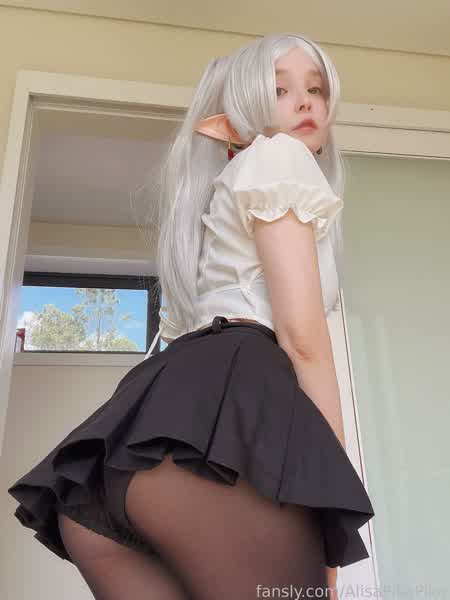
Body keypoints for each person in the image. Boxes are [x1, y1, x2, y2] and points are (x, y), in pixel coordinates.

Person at [8, 33, 375, 600]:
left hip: (116, 473)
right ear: (244, 109)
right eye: (280, 90)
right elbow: (304, 341)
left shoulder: (219, 200)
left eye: (317, 88)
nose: (305, 101)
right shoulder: (279, 157)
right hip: (210, 454)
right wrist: (331, 487)